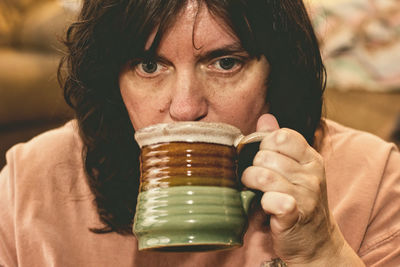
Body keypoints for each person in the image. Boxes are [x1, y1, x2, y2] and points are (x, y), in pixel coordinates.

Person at [0, 0, 399, 266]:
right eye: (148, 66)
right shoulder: (30, 186)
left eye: (225, 63)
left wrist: (321, 251)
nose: (186, 107)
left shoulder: (372, 180)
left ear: (277, 72)